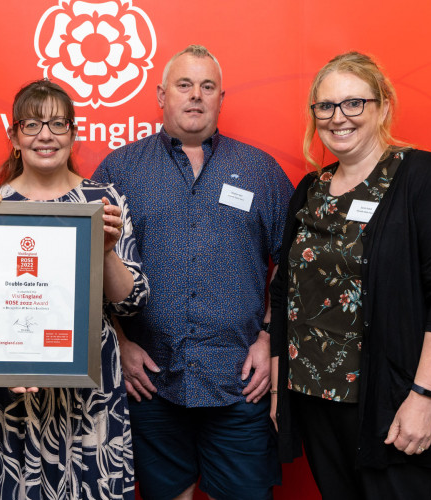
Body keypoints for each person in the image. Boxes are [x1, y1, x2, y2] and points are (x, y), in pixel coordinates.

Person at [269, 51, 431, 500]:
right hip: (315, 402)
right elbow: (285, 286)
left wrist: (424, 397)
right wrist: (277, 386)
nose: (338, 117)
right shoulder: (311, 189)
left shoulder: (423, 177)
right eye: (325, 106)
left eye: (353, 103)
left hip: (391, 402)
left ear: (382, 105)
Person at [92, 45, 292, 500]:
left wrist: (267, 338)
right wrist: (120, 343)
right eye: (184, 85)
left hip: (240, 382)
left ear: (223, 97)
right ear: (162, 95)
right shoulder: (119, 170)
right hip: (152, 383)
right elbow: (89, 266)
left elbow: (291, 260)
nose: (196, 96)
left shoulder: (260, 171)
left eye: (207, 87)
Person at [0, 79, 149, 500]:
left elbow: (132, 302)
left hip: (90, 389)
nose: (45, 136)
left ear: (74, 133)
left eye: (56, 123)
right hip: (12, 393)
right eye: (31, 125)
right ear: (13, 136)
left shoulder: (104, 200)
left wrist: (105, 251)